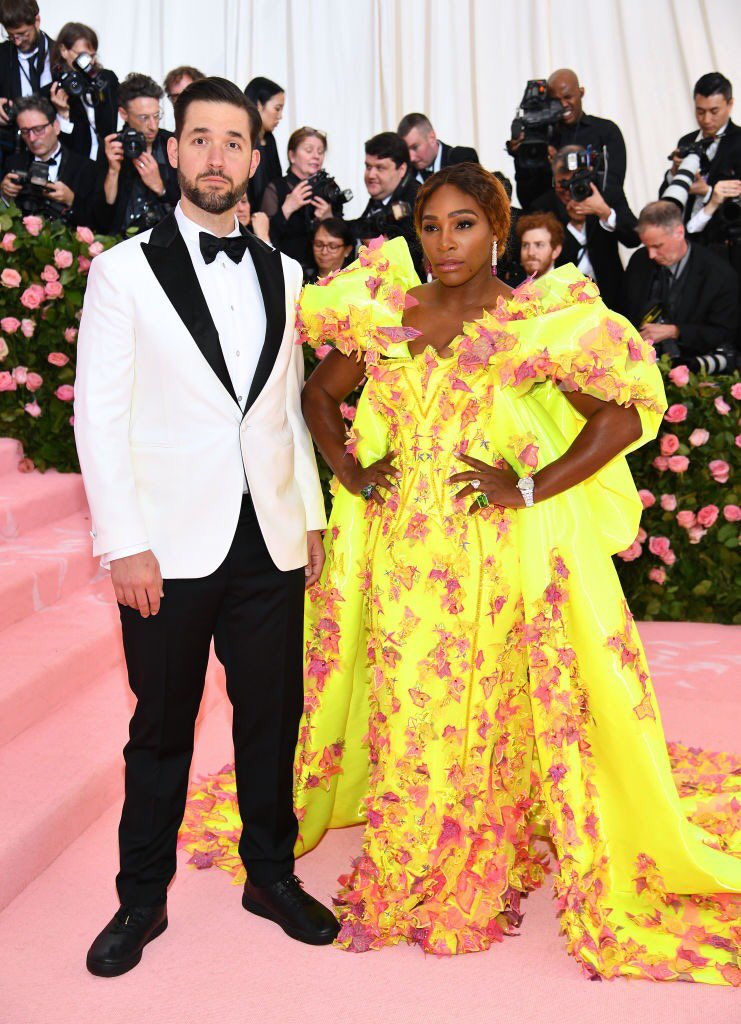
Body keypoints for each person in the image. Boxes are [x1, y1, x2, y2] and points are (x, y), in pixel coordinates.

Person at [181, 162, 740, 980]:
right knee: (412, 702)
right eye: (431, 226)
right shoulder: (387, 313)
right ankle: (409, 853)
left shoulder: (531, 320)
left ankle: (481, 845)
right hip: (402, 556)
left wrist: (528, 485)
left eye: (463, 225)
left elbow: (621, 413)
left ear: (498, 230)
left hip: (494, 558)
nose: (444, 242)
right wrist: (346, 467)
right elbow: (317, 394)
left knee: (490, 703)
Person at [75, 75, 338, 978]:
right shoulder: (121, 271)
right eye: (200, 139)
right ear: (172, 151)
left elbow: (286, 411)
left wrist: (306, 515)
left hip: (266, 538)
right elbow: (98, 416)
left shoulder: (287, 270)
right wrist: (124, 542)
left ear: (253, 159)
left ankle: (269, 875)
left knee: (272, 718)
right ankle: (139, 901)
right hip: (165, 547)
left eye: (234, 142)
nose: (216, 156)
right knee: (161, 729)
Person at [622, 200, 738, 374]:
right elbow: (623, 310)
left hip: (692, 369)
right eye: (646, 246)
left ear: (679, 232)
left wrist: (676, 331)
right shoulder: (640, 260)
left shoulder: (719, 274)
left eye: (657, 246)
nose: (651, 254)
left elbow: (724, 333)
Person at [531, 144, 639, 309]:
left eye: (576, 180)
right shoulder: (542, 207)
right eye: (563, 183)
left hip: (613, 298)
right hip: (564, 304)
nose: (569, 189)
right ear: (554, 180)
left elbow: (634, 238)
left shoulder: (607, 193)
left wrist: (605, 212)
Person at [509, 68, 627, 211]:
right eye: (556, 100)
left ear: (581, 93)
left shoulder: (605, 131)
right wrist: (522, 157)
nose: (563, 105)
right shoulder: (540, 138)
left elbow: (613, 188)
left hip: (597, 219)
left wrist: (561, 163)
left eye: (568, 97)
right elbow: (528, 200)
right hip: (552, 222)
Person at [660, 72, 741, 246]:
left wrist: (707, 192)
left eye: (714, 111)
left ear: (730, 104)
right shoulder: (687, 141)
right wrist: (674, 173)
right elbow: (666, 199)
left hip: (726, 242)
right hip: (687, 240)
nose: (706, 120)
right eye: (700, 111)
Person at [94, 72, 180, 235]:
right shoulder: (113, 146)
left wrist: (160, 188)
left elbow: (189, 207)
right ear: (124, 114)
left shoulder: (170, 143)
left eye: (156, 116)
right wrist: (113, 171)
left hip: (166, 241)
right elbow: (101, 218)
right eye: (144, 118)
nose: (153, 126)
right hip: (121, 243)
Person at [0, 94, 98, 226]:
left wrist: (71, 200)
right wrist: (5, 195)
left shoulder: (85, 168)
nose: (32, 138)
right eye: (25, 131)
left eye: (38, 129)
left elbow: (98, 221)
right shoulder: (13, 164)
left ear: (56, 127)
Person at [260, 126, 344, 270]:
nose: (316, 156)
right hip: (285, 269)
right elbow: (263, 237)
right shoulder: (276, 187)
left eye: (320, 151)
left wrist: (329, 219)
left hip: (324, 272)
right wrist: (287, 208)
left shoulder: (329, 187)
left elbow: (344, 239)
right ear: (292, 156)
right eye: (309, 150)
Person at [48, 22, 118, 162]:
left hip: (105, 162)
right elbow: (56, 144)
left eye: (92, 56)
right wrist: (63, 115)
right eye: (82, 56)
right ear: (63, 50)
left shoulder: (106, 80)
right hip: (74, 165)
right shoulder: (54, 88)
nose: (88, 62)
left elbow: (110, 125)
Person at [356, 131, 421, 276]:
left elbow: (421, 251)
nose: (371, 175)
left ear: (402, 169)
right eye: (368, 167)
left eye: (380, 168)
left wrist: (385, 248)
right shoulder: (382, 194)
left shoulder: (417, 199)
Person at [0, 0, 53, 114]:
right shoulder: (2, 55)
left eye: (23, 34)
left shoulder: (60, 55)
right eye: (11, 36)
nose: (17, 43)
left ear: (37, 21)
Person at [397, 112, 479, 183]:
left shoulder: (461, 159)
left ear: (431, 138)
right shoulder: (405, 173)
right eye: (406, 150)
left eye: (415, 147)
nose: (411, 158)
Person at [243, 75, 283, 211]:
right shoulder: (241, 140)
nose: (280, 116)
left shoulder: (270, 140)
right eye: (277, 108)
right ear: (258, 104)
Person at [305, 216, 354, 283]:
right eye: (318, 244)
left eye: (332, 246)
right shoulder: (301, 278)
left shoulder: (356, 281)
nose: (324, 252)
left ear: (347, 250)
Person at [517, 211, 564, 279]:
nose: (530, 253)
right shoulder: (506, 287)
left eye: (539, 245)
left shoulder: (576, 285)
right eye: (525, 245)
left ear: (556, 251)